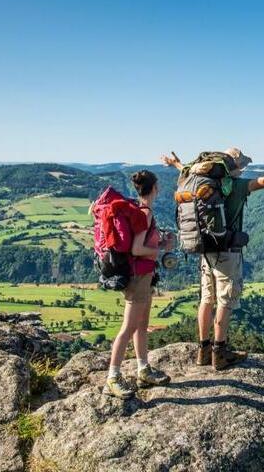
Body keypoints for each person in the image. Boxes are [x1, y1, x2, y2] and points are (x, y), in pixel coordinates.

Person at [162, 148, 264, 370]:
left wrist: (176, 164)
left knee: (206, 299)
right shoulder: (235, 186)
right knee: (225, 302)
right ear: (234, 167)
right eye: (242, 166)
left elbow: (187, 170)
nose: (243, 169)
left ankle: (203, 349)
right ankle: (220, 352)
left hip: (204, 248)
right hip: (227, 252)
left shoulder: (201, 181)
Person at [103, 170, 173, 398]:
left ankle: (143, 368)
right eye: (158, 185)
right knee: (128, 328)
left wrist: (161, 241)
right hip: (137, 278)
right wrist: (161, 248)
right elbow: (137, 249)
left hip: (144, 276)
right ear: (154, 188)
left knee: (142, 325)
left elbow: (140, 243)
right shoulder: (144, 214)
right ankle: (113, 377)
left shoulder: (141, 212)